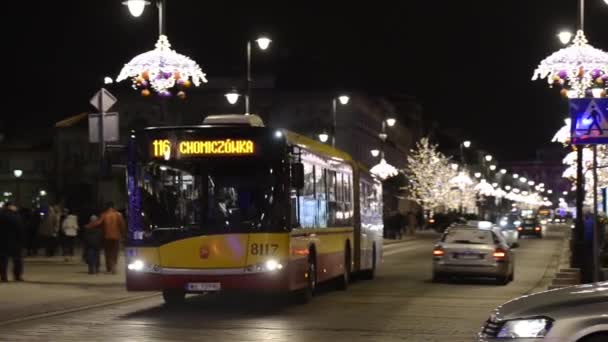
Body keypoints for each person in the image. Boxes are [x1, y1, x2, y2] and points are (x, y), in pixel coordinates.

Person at [86, 202, 126, 274]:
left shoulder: (104, 214)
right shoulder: (118, 215)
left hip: (107, 236)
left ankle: (109, 267)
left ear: (107, 207)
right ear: (113, 207)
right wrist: (123, 235)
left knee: (108, 252)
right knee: (115, 252)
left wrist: (89, 226)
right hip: (116, 236)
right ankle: (114, 267)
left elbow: (98, 223)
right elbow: (122, 225)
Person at [0, 202, 25, 282]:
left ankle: (3, 276)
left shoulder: (1, 214)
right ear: (11, 206)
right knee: (17, 259)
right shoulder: (15, 216)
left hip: (3, 240)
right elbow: (19, 228)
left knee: (3, 260)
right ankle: (17, 276)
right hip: (15, 240)